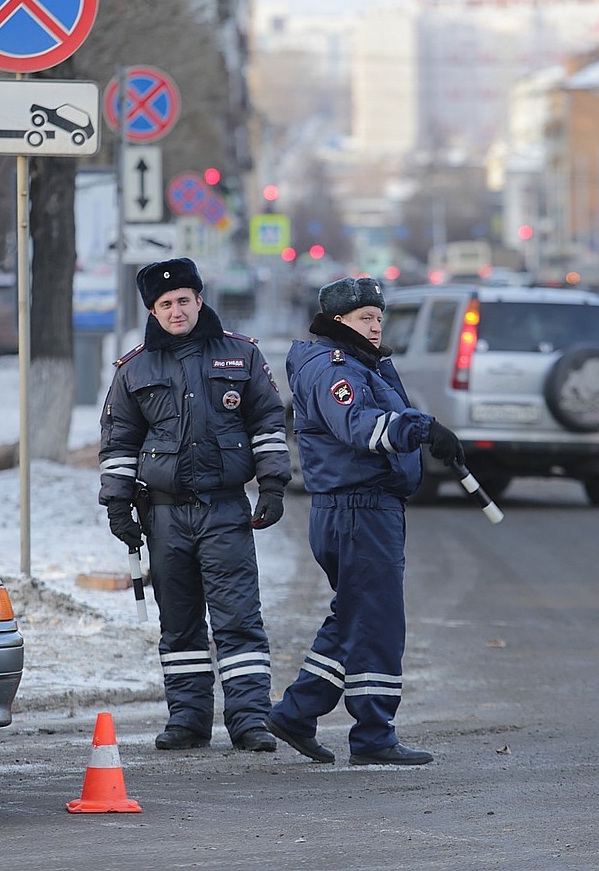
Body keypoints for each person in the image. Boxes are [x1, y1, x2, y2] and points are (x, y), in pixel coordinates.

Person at [266, 275, 465, 766]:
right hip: (357, 509)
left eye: (378, 317)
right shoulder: (336, 368)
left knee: (356, 616)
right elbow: (360, 427)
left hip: (365, 509)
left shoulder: (362, 363)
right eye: (364, 319)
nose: (375, 326)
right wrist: (423, 428)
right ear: (339, 323)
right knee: (376, 623)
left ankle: (298, 712)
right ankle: (374, 733)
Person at [99, 257, 290, 753]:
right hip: (163, 516)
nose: (176, 310)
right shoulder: (134, 369)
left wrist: (272, 486)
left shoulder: (240, 355)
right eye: (165, 304)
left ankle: (250, 719)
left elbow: (268, 423)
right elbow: (118, 444)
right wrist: (118, 508)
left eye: (184, 300)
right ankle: (187, 718)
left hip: (225, 510)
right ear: (153, 310)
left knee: (238, 619)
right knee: (178, 622)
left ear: (200, 300)